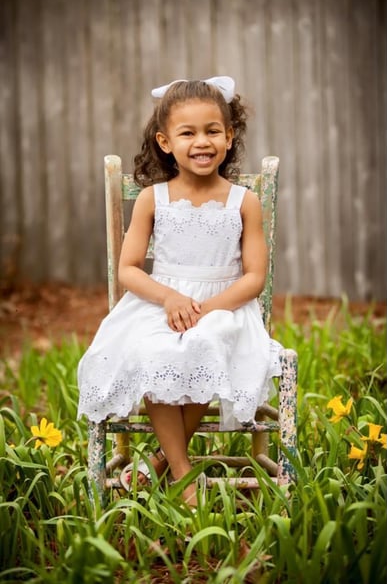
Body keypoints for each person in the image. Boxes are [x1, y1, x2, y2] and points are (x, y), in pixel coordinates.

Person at [77, 76, 282, 507]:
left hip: (225, 306)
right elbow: (129, 269)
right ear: (165, 141)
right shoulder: (153, 198)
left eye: (212, 131)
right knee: (154, 352)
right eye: (187, 133)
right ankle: (184, 473)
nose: (201, 141)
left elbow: (254, 278)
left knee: (207, 343)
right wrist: (169, 299)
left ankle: (160, 463)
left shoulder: (243, 201)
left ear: (229, 136)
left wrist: (207, 309)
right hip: (159, 303)